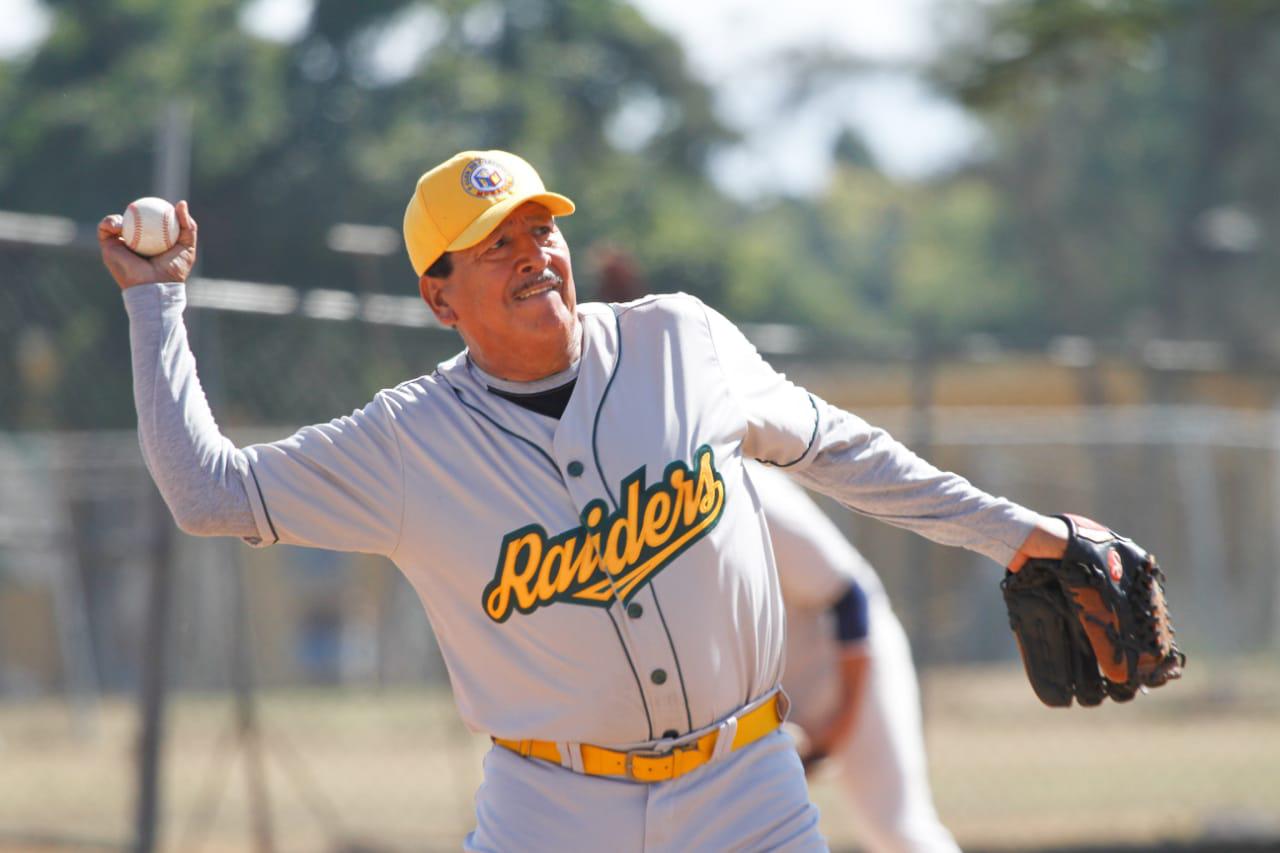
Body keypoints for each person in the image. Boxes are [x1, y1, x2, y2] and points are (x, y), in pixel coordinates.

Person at [99, 149, 1072, 851]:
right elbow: (207, 490)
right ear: (439, 299)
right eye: (493, 245)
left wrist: (1021, 534)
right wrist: (157, 302)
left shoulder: (678, 342)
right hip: (549, 807)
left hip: (744, 788)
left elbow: (841, 449)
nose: (533, 254)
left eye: (540, 227)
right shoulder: (405, 442)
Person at [752, 462, 959, 853]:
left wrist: (840, 721)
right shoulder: (642, 503)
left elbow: (849, 599)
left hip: (851, 664)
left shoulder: (753, 490)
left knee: (896, 827)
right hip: (776, 686)